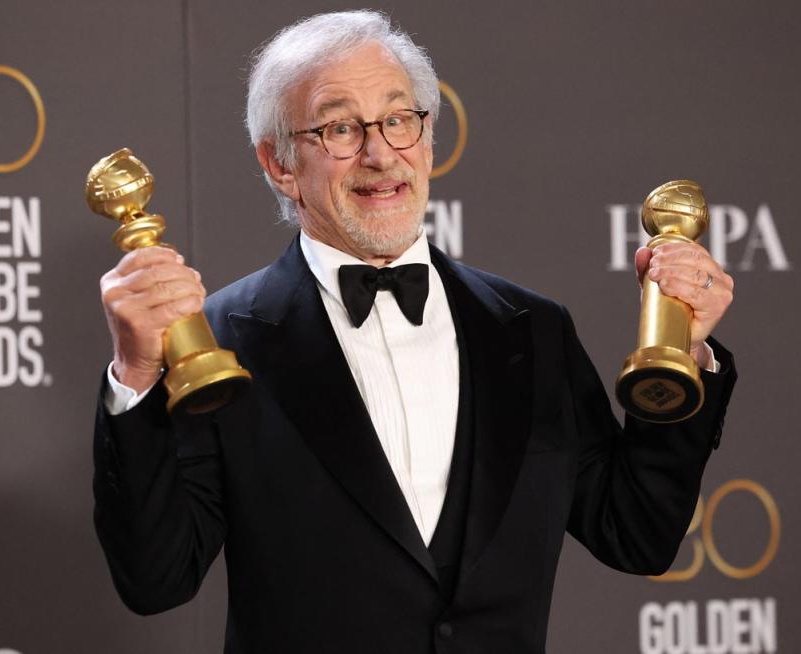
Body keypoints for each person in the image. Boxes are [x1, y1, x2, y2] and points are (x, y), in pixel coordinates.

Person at [93, 10, 736, 654]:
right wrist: (138, 375)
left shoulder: (533, 329)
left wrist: (683, 353)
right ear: (279, 164)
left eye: (399, 120)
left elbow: (637, 533)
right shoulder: (222, 343)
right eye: (339, 127)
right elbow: (157, 580)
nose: (380, 154)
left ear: (428, 140)